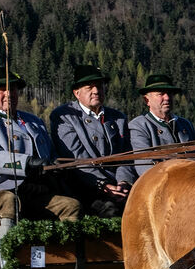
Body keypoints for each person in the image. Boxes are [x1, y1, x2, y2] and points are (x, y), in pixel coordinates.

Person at [0, 71, 81, 240]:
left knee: (71, 206)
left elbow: (50, 153)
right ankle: (7, 261)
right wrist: (27, 163)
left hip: (32, 192)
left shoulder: (34, 121)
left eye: (13, 89)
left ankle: (64, 260)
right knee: (8, 201)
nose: (9, 93)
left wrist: (55, 165)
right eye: (2, 89)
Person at [49, 63, 133, 217]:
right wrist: (104, 185)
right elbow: (76, 159)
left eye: (100, 86)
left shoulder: (118, 118)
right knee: (111, 210)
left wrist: (123, 183)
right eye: (90, 87)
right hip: (84, 185)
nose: (96, 91)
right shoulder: (64, 116)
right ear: (77, 92)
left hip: (118, 186)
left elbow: (126, 156)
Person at [124, 72, 195, 184]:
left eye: (170, 93)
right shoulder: (139, 126)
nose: (167, 98)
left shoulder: (185, 124)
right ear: (147, 100)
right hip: (161, 188)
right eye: (161, 94)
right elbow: (144, 167)